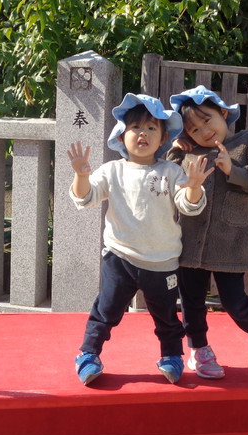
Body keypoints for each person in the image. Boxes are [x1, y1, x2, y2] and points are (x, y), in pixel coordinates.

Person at [68, 93, 213, 386]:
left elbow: (188, 204)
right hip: (119, 257)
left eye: (150, 128)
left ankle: (172, 356)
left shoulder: (171, 171)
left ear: (163, 138)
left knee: (166, 316)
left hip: (162, 262)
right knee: (106, 309)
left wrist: (195, 187)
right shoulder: (112, 170)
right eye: (135, 127)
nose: (142, 133)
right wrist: (81, 175)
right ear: (121, 137)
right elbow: (85, 198)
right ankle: (88, 354)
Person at [167, 86, 248, 379]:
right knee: (190, 301)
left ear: (224, 114)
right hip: (189, 241)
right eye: (192, 128)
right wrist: (175, 150)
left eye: (207, 120)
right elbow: (165, 180)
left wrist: (234, 170)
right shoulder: (188, 151)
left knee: (234, 302)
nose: (202, 130)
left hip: (233, 242)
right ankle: (199, 349)